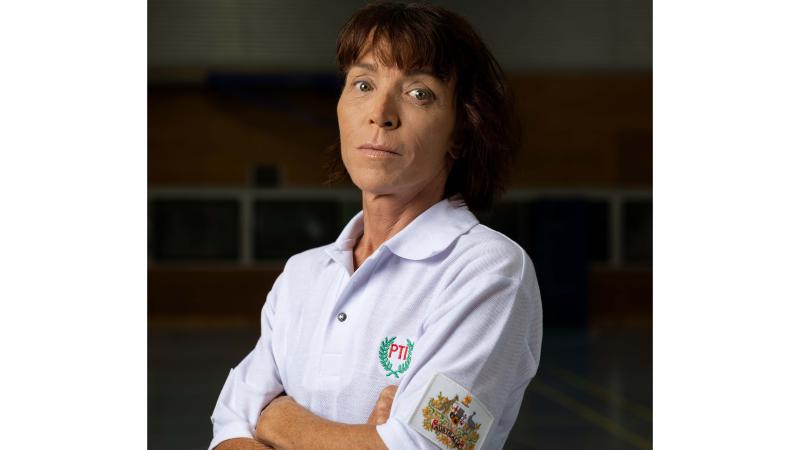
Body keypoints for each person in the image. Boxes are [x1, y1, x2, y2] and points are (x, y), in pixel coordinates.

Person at [209, 2, 542, 449]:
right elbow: (228, 430)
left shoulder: (489, 271)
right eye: (363, 84)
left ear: (461, 133)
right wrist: (365, 438)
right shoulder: (302, 276)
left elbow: (421, 447)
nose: (381, 112)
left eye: (419, 92)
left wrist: (278, 420)